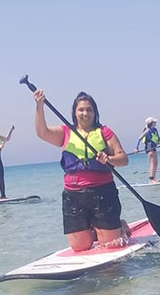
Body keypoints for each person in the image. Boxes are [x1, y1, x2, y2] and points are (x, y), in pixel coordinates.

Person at [33, 89, 130, 251]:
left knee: (111, 246)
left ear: (95, 112)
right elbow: (42, 133)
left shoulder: (104, 132)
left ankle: (119, 226)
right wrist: (39, 106)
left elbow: (124, 159)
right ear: (75, 112)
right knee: (80, 246)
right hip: (73, 195)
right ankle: (96, 229)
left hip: (103, 193)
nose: (85, 113)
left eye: (89, 110)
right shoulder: (65, 132)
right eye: (81, 110)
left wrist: (109, 159)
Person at [135, 117, 160, 183]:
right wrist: (136, 148)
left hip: (154, 147)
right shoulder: (147, 130)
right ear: (151, 123)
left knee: (156, 163)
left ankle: (154, 178)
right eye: (154, 122)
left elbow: (158, 139)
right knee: (152, 163)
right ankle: (151, 179)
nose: (155, 123)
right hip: (149, 147)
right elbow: (139, 139)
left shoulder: (155, 129)